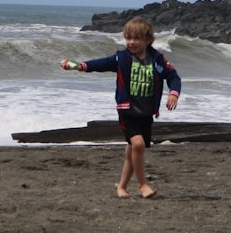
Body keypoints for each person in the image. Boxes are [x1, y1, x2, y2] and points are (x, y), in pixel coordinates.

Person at [60, 17, 181, 198]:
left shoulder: (158, 60)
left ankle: (121, 187)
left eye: (136, 38)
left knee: (133, 151)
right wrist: (79, 66)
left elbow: (174, 77)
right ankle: (142, 185)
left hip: (146, 112)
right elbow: (100, 64)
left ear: (148, 40)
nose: (131, 42)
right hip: (128, 111)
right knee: (138, 145)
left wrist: (173, 93)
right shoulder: (122, 58)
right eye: (128, 38)